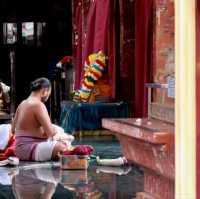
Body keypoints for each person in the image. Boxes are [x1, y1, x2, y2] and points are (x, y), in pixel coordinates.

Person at [12, 77, 71, 161]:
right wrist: (50, 131)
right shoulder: (38, 105)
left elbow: (13, 129)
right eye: (49, 93)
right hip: (29, 150)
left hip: (18, 150)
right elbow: (51, 133)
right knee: (62, 146)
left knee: (60, 133)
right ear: (44, 91)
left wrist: (37, 133)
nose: (48, 96)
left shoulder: (22, 103)